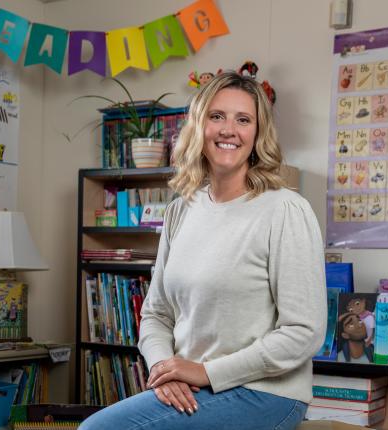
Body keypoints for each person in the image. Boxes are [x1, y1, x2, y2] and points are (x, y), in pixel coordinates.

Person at [79, 72, 326, 430]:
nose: (229, 129)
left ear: (258, 134)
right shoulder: (181, 210)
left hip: (266, 393)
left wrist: (204, 372)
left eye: (243, 120)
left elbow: (303, 332)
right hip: (191, 385)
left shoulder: (285, 209)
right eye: (217, 116)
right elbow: (156, 315)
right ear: (199, 127)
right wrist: (168, 370)